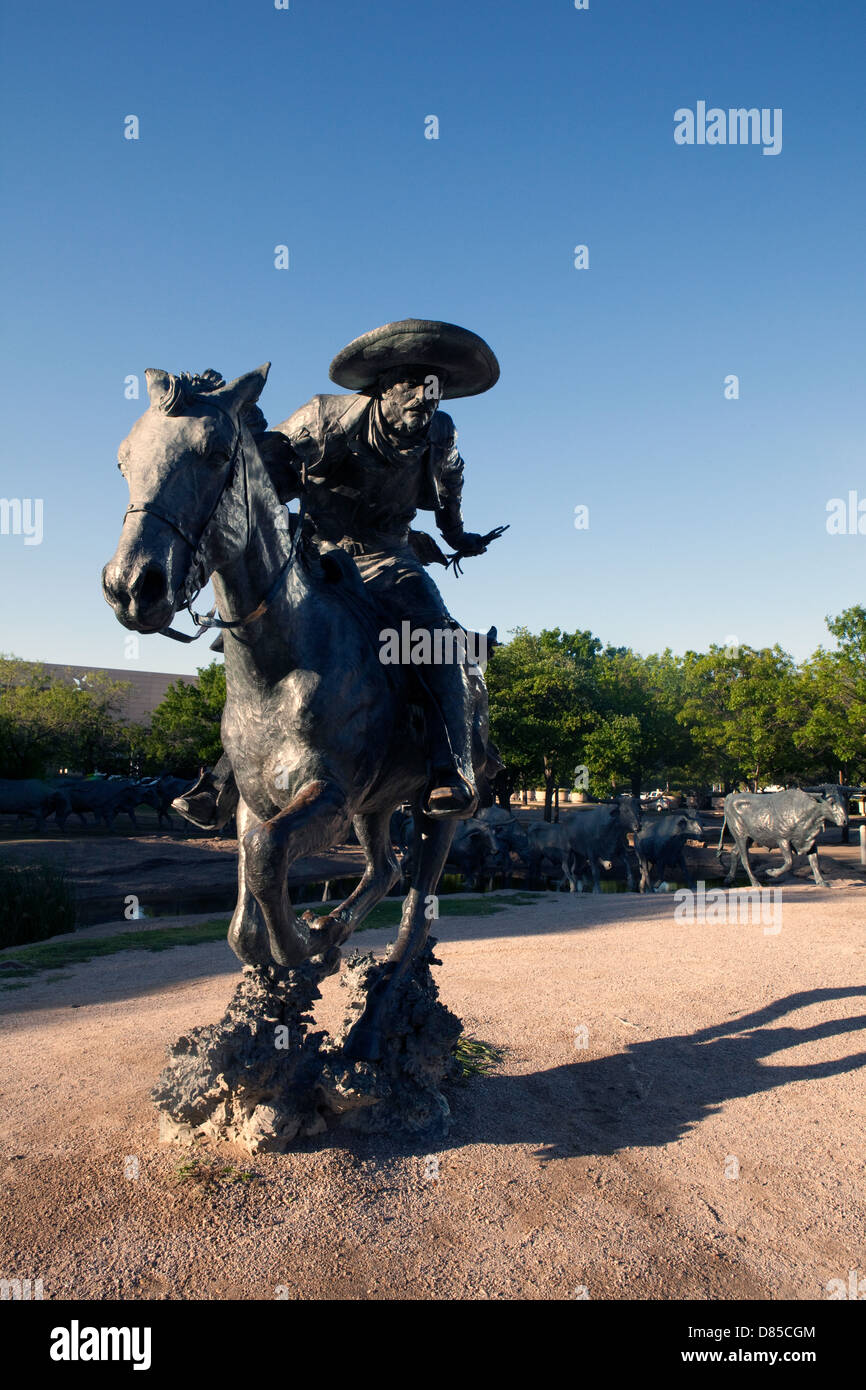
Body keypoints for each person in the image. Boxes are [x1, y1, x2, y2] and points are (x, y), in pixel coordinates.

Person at [175, 318, 506, 829]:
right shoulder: (322, 419)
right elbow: (258, 481)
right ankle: (221, 780)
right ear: (381, 390)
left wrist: (458, 536)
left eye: (433, 395)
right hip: (315, 556)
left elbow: (450, 490)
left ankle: (451, 767)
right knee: (255, 644)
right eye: (412, 391)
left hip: (389, 561)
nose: (424, 402)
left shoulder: (440, 434)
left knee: (438, 641)